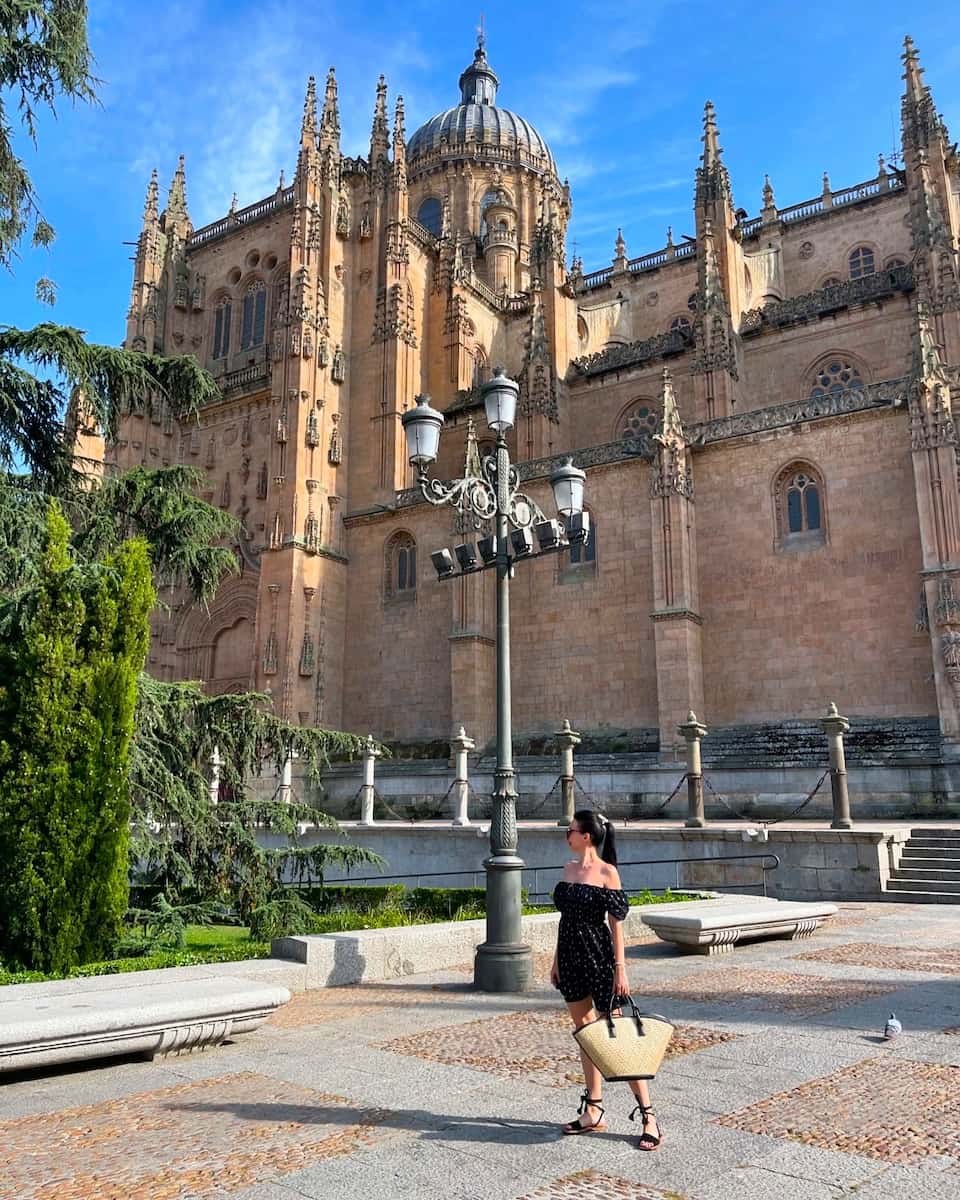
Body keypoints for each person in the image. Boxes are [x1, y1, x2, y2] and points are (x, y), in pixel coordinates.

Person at [550, 808, 662, 1151]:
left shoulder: (607, 872)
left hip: (599, 960)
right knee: (586, 1036)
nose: (565, 835)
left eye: (570, 830)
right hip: (569, 959)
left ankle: (648, 1115)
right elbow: (565, 921)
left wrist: (621, 968)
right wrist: (555, 961)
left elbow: (616, 926)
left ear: (586, 836)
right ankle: (594, 1110)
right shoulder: (569, 869)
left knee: (618, 1040)